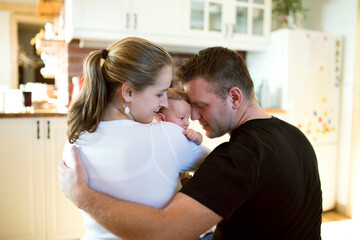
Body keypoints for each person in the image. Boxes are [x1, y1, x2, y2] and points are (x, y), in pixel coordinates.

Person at [59, 46, 323, 240]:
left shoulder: (237, 157)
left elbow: (165, 231)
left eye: (200, 106)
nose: (193, 117)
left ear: (234, 97)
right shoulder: (295, 136)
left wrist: (82, 195)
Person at [63, 37, 210, 240]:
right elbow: (217, 165)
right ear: (128, 92)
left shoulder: (75, 141)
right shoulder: (167, 135)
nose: (164, 103)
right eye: (159, 94)